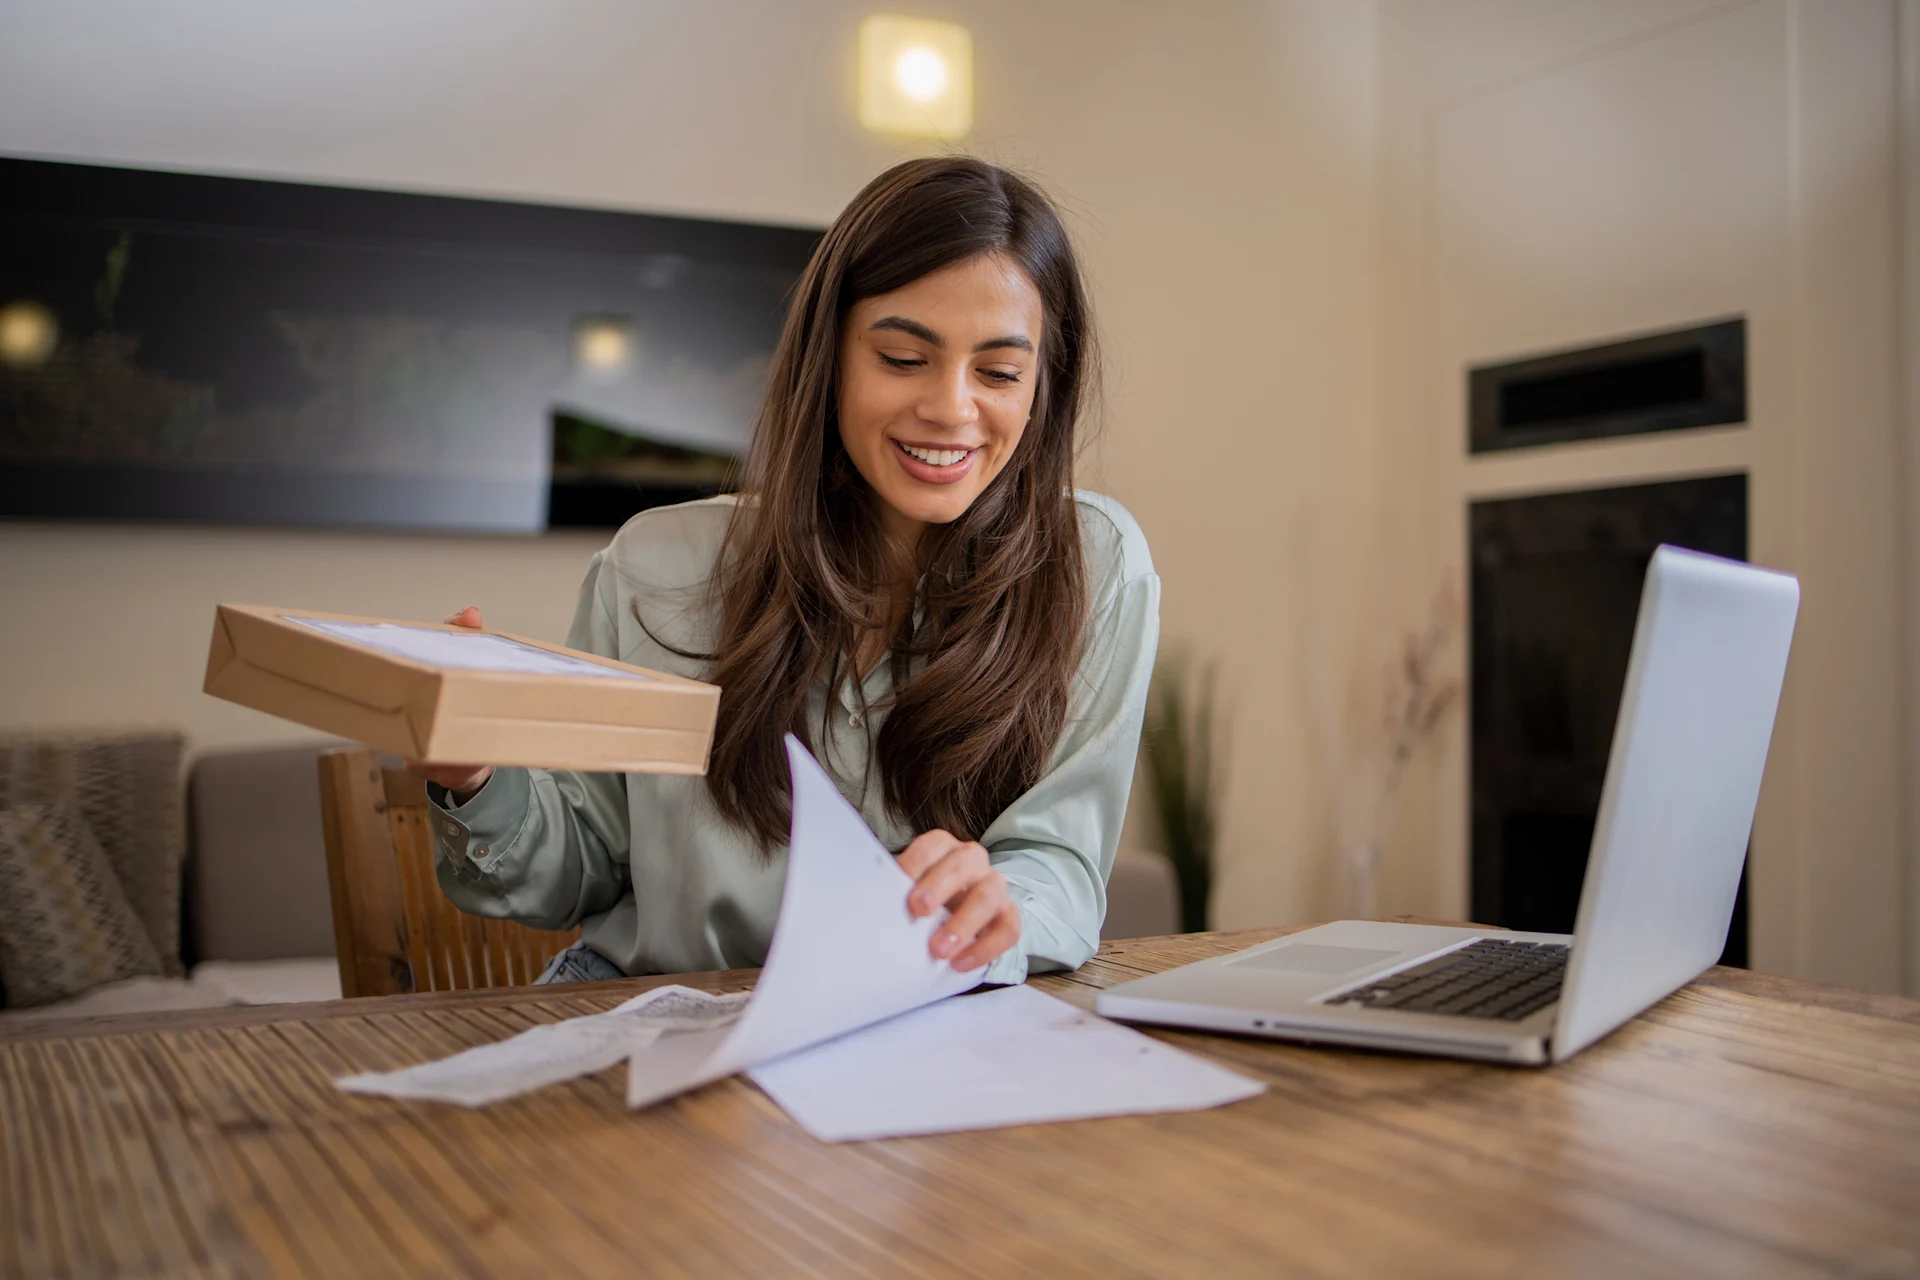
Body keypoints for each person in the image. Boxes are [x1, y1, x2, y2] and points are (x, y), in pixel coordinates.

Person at [411, 157, 1160, 986]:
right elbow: (581, 867)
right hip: (656, 1007)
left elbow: (1057, 866)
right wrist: (473, 774)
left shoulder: (1095, 565)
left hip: (926, 1009)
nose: (952, 407)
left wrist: (991, 912)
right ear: (829, 357)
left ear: (1041, 389)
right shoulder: (657, 567)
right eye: (904, 359)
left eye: (998, 372)